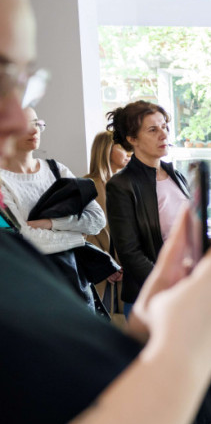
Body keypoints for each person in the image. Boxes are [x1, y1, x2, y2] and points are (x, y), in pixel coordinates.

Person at [0, 0, 211, 424]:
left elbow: (91, 226)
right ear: (131, 138)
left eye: (19, 80)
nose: (17, 116)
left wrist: (144, 333)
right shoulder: (119, 184)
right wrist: (176, 363)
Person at [106, 100, 211, 424]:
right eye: (153, 129)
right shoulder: (121, 185)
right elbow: (129, 251)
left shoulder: (174, 174)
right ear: (132, 138)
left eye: (165, 126)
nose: (163, 134)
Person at [0, 107, 106, 307]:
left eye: (36, 123)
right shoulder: (2, 180)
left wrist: (50, 223)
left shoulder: (56, 169)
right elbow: (25, 238)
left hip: (74, 280)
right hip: (31, 285)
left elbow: (97, 219)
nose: (34, 131)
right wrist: (77, 237)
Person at [84, 129, 131, 305]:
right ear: (106, 149)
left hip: (128, 271)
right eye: (122, 147)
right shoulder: (87, 185)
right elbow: (84, 235)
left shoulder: (127, 185)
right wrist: (106, 265)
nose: (129, 153)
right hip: (103, 273)